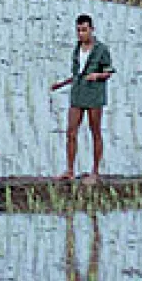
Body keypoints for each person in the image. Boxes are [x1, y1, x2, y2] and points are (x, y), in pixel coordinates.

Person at [50, 14, 114, 182]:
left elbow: (108, 72)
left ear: (91, 29)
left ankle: (95, 172)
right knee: (71, 131)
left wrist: (97, 75)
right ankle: (70, 170)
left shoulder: (101, 49)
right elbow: (77, 74)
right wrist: (61, 84)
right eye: (78, 30)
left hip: (94, 94)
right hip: (77, 92)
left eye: (84, 30)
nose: (81, 34)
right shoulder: (77, 49)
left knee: (95, 132)